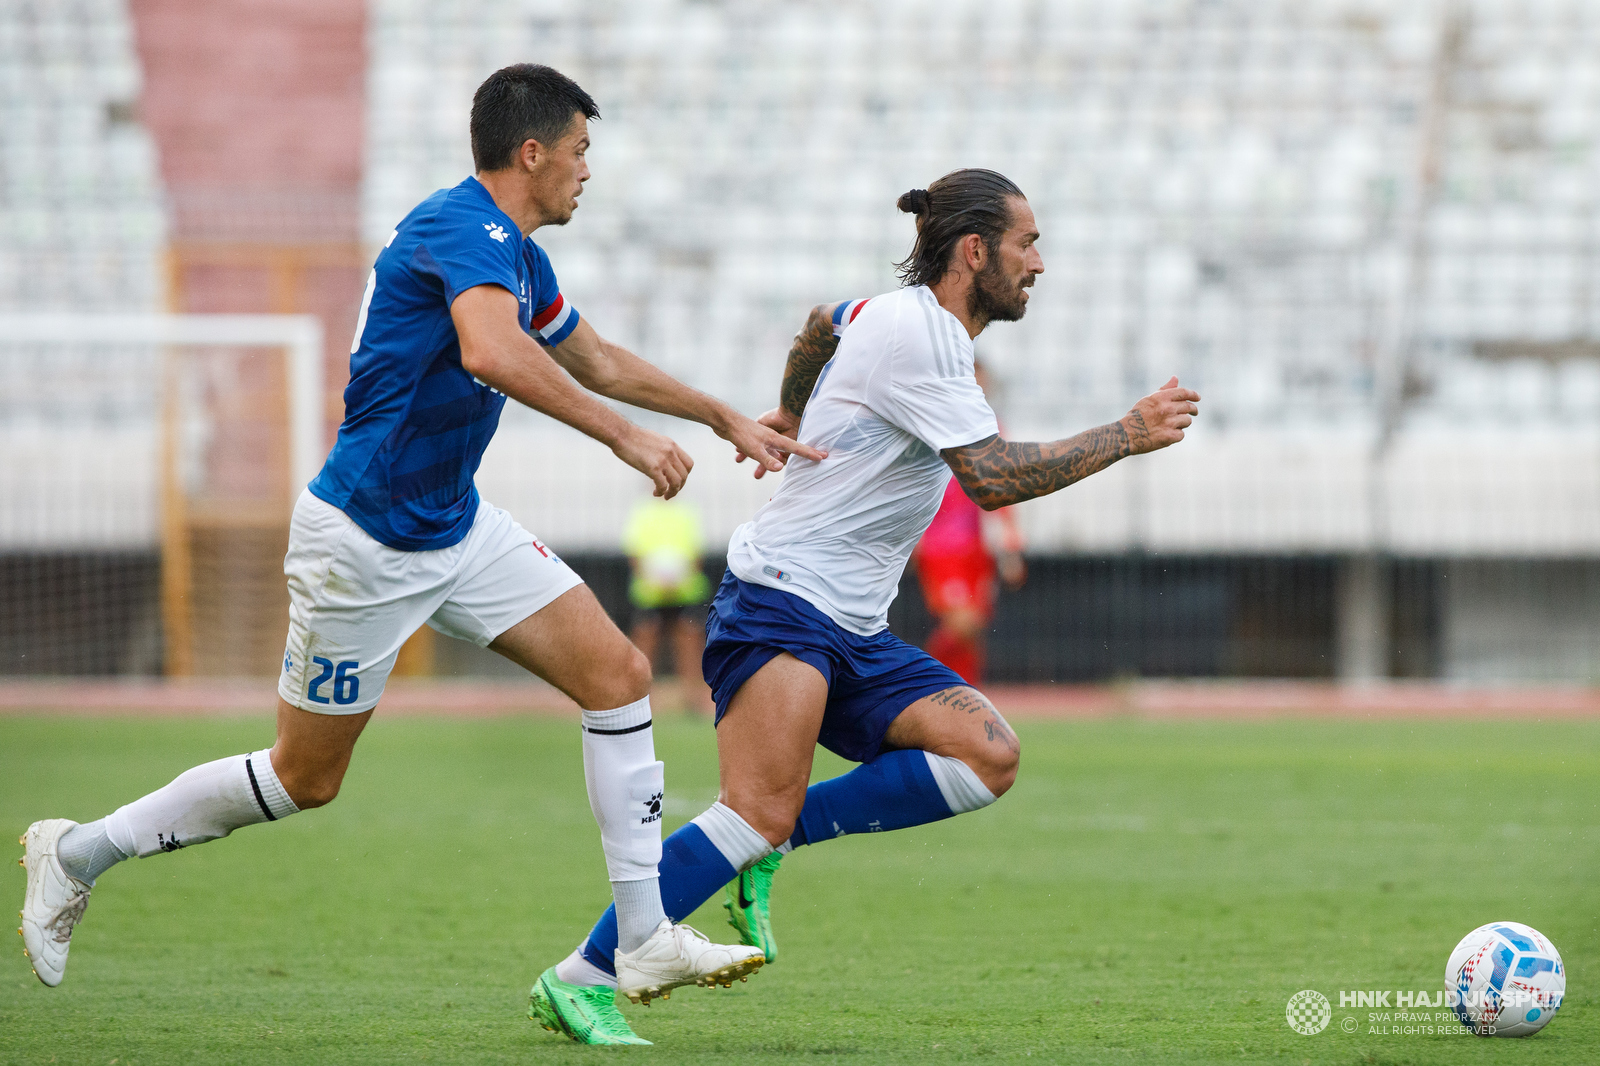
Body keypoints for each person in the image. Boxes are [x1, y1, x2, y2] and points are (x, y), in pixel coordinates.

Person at [18, 65, 813, 1032]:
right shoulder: (455, 227)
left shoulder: (515, 252)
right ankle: (77, 853)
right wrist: (623, 436)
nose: (586, 173)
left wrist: (720, 413)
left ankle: (642, 935)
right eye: (580, 152)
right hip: (363, 544)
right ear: (532, 154)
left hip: (455, 524)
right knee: (305, 779)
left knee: (618, 674)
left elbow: (591, 355)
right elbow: (490, 352)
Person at [529, 168, 1201, 1045]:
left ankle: (777, 837)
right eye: (1026, 243)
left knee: (988, 755)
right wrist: (1127, 433)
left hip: (851, 625)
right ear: (974, 251)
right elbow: (992, 478)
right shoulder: (921, 337)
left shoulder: (896, 321)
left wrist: (795, 406)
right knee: (748, 809)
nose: (1039, 262)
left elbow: (820, 325)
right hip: (781, 604)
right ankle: (579, 977)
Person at [913, 361, 1026, 683]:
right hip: (943, 545)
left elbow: (1003, 493)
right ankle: (914, 679)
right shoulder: (934, 425)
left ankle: (964, 692)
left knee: (974, 628)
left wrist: (1010, 546)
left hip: (978, 546)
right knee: (962, 624)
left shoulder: (993, 428)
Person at [622, 495, 714, 713]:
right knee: (645, 637)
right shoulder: (642, 513)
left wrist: (679, 579)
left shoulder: (686, 514)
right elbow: (634, 553)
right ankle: (639, 699)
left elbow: (696, 554)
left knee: (689, 638)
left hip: (684, 591)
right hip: (650, 593)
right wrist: (653, 580)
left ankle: (693, 700)